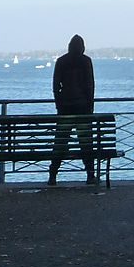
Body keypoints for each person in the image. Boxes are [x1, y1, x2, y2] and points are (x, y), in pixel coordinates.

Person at [47, 34, 98, 185]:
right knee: (86, 143)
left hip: (65, 109)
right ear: (82, 47)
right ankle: (90, 174)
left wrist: (59, 105)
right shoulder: (86, 61)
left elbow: (56, 87)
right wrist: (90, 107)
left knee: (60, 143)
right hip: (83, 108)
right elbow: (90, 86)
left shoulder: (61, 61)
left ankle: (53, 175)